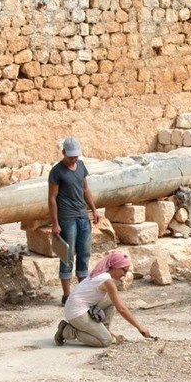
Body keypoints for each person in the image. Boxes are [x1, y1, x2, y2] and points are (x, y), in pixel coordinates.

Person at [54, 252, 153, 347]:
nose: (125, 274)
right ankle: (68, 331)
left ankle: (103, 331)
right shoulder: (107, 281)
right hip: (76, 313)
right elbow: (122, 309)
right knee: (106, 341)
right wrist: (139, 327)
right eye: (124, 270)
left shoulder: (101, 273)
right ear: (115, 267)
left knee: (111, 301)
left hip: (79, 307)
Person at [48, 136, 101, 305]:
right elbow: (51, 198)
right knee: (67, 256)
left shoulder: (82, 166)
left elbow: (85, 189)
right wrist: (55, 223)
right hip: (67, 218)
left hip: (82, 216)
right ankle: (67, 295)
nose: (74, 159)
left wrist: (93, 209)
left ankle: (82, 292)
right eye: (70, 156)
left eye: (76, 156)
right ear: (63, 153)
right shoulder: (56, 172)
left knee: (84, 254)